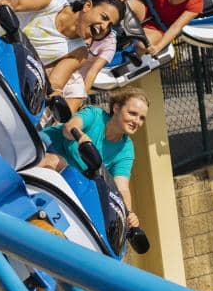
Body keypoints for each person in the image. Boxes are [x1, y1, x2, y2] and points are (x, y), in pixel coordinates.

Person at [41, 88, 150, 229]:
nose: (136, 121)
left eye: (142, 118)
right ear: (116, 108)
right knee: (56, 162)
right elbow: (69, 128)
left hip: (70, 177)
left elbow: (121, 187)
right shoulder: (95, 114)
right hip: (44, 148)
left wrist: (127, 213)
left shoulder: (126, 149)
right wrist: (80, 137)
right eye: (132, 113)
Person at [0, 0, 125, 96]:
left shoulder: (80, 53)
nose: (104, 26)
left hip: (10, 69)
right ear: (87, 6)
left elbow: (56, 83)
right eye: (104, 17)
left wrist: (56, 95)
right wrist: (7, 3)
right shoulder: (53, 0)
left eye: (109, 25)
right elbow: (18, 2)